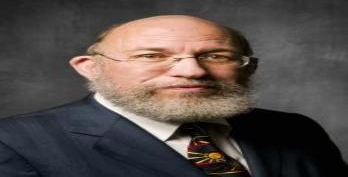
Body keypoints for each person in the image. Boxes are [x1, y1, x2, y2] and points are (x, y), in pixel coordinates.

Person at [0, 15, 346, 177]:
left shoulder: (296, 130)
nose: (192, 71)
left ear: (248, 67)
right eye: (151, 56)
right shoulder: (15, 142)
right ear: (89, 67)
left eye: (215, 56)